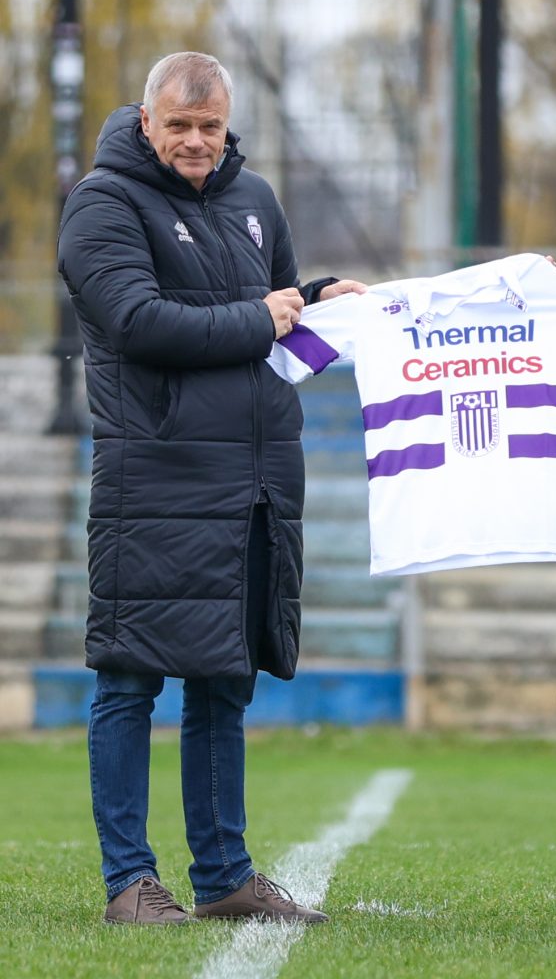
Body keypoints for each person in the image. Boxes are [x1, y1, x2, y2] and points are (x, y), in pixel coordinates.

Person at [57, 51, 365, 925]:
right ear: (145, 121)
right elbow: (138, 322)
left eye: (211, 127)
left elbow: (274, 315)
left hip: (253, 480)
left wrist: (319, 299)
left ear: (228, 125)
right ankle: (129, 882)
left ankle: (225, 877)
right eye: (179, 126)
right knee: (130, 679)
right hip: (153, 480)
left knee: (225, 679)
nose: (196, 142)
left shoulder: (255, 198)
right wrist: (260, 316)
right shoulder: (102, 203)